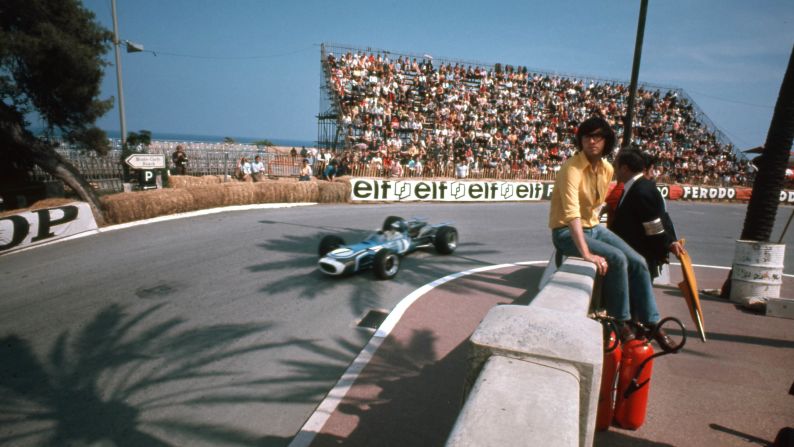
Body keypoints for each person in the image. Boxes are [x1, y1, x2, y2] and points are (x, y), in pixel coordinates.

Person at [547, 116, 673, 350]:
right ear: (580, 139)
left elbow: (596, 206)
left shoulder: (606, 169)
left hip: (593, 227)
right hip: (566, 232)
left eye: (598, 136)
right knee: (617, 258)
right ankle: (620, 320)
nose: (592, 141)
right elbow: (572, 213)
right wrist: (586, 253)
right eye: (587, 136)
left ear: (607, 141)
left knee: (638, 261)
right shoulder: (571, 168)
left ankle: (652, 322)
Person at [611, 149, 683, 279]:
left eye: (616, 166)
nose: (614, 170)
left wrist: (666, 245)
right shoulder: (636, 187)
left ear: (625, 169)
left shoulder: (641, 191)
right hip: (634, 258)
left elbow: (654, 227)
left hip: (639, 261)